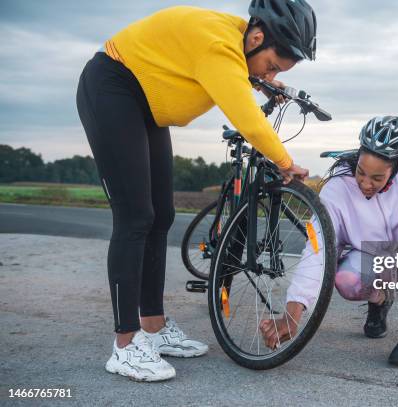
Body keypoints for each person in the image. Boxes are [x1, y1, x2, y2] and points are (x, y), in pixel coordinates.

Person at [75, 0, 317, 381]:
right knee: (134, 216)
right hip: (112, 86)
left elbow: (239, 72)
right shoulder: (218, 44)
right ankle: (125, 346)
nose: (270, 73)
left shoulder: (237, 39)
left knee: (161, 215)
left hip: (145, 102)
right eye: (271, 65)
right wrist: (286, 162)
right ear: (257, 37)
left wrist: (262, 79)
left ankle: (152, 328)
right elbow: (247, 117)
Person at [259, 116, 398, 366]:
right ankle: (379, 299)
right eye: (361, 172)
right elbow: (318, 251)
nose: (366, 184)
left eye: (377, 178)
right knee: (346, 279)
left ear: (397, 168)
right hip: (374, 260)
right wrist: (292, 315)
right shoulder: (336, 191)